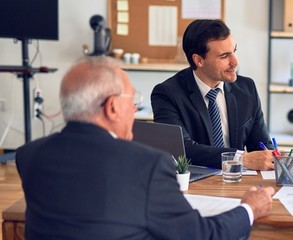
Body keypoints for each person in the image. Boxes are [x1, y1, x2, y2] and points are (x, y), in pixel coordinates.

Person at [16, 57, 275, 239]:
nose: (135, 109)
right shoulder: (147, 165)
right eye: (133, 101)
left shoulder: (28, 155)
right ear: (113, 107)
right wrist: (249, 208)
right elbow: (200, 235)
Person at [152, 19, 274, 170]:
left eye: (234, 51)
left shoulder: (247, 88)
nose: (235, 62)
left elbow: (261, 146)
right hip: (195, 184)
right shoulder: (167, 94)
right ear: (199, 60)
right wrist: (241, 159)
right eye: (224, 56)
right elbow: (181, 150)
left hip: (237, 180)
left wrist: (274, 159)